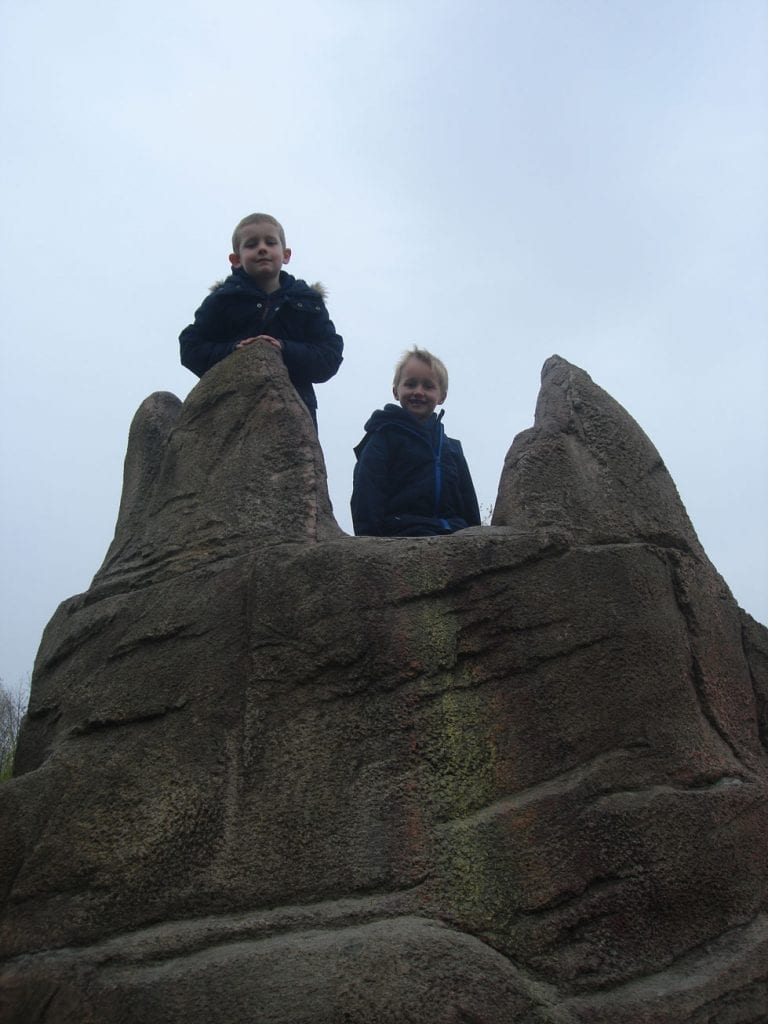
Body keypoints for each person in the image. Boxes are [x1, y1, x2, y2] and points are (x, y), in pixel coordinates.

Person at [179, 213, 343, 428]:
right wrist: (234, 351)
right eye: (251, 244)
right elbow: (191, 347)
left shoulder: (309, 303)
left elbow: (329, 355)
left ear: (286, 255)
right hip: (231, 414)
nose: (262, 248)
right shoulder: (222, 301)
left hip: (294, 417)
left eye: (270, 242)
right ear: (236, 260)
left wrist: (284, 349)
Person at [351, 347, 480, 537]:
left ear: (442, 396)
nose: (418, 392)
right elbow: (367, 491)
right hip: (401, 534)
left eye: (428, 386)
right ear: (396, 391)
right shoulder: (383, 437)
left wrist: (475, 535)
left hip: (452, 533)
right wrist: (369, 541)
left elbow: (467, 499)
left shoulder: (451, 448)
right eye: (410, 384)